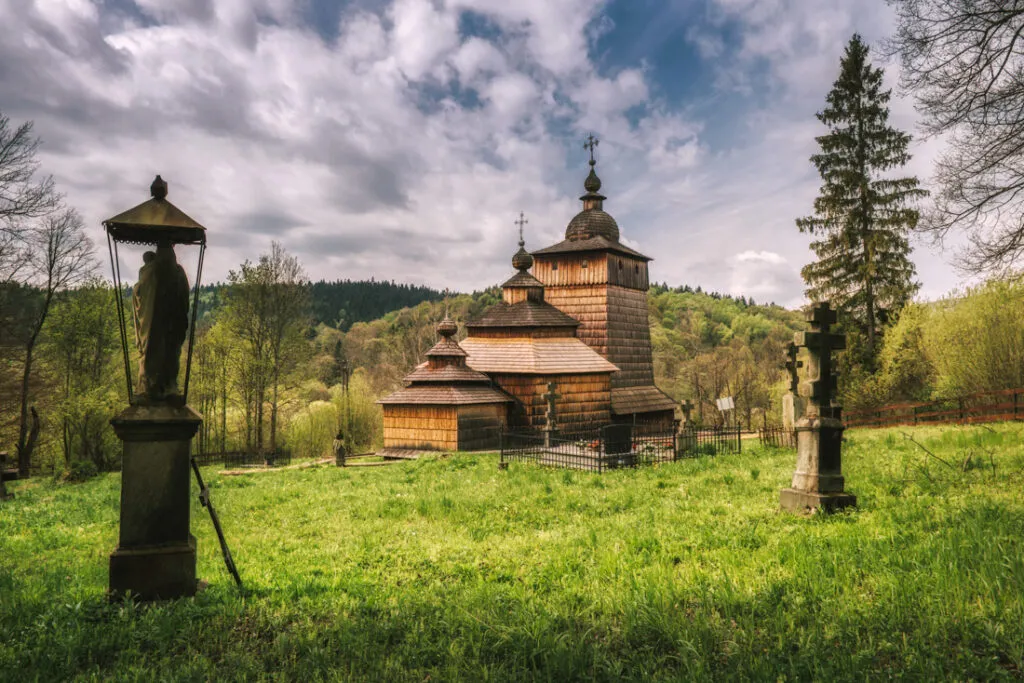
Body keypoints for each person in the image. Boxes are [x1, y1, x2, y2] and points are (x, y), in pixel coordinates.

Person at [132, 244, 190, 403]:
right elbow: (142, 295)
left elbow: (184, 297)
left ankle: (167, 386)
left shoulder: (176, 273)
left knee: (170, 355)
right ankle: (151, 387)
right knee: (154, 354)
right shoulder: (151, 273)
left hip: (170, 324)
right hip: (155, 325)